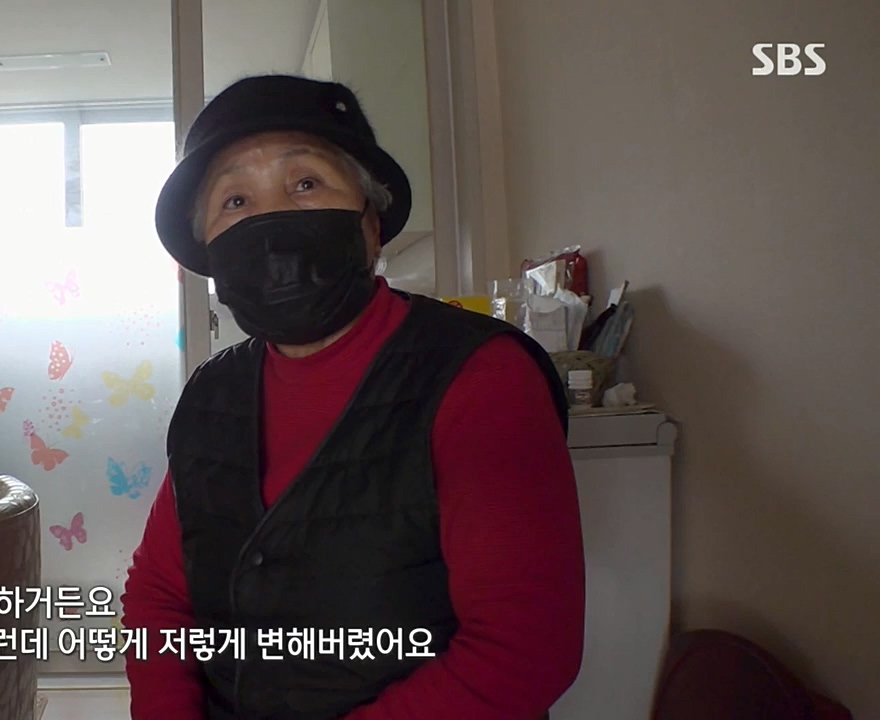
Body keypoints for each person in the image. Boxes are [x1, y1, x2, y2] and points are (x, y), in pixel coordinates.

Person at [122, 74, 585, 720]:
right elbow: (159, 594)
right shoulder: (211, 394)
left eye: (306, 183)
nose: (273, 225)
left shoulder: (481, 377)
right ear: (208, 251)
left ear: (371, 224)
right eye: (236, 200)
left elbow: (523, 651)